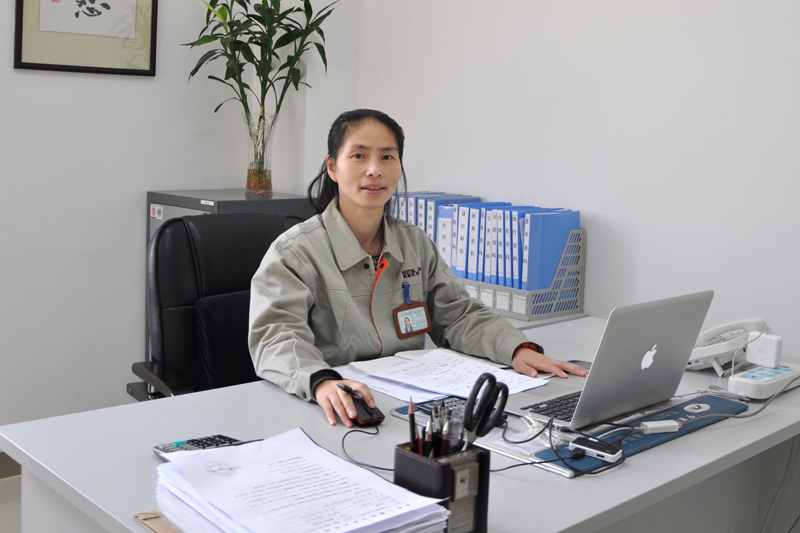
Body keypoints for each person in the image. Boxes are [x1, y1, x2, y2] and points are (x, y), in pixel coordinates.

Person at [249, 109, 587, 428]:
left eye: (387, 157)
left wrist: (516, 349)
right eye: (359, 156)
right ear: (333, 167)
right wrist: (320, 380)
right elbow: (276, 336)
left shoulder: (413, 242)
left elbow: (458, 315)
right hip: (335, 406)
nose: (374, 170)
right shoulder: (295, 251)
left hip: (406, 404)